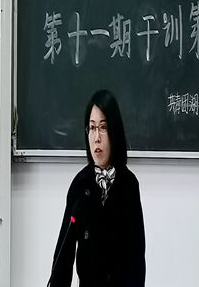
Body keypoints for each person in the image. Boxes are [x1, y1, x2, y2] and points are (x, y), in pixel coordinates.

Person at [48, 89, 145, 287]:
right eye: (92, 128)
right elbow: (64, 255)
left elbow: (136, 258)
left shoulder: (128, 185)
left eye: (103, 127)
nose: (96, 138)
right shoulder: (80, 184)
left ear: (114, 131)